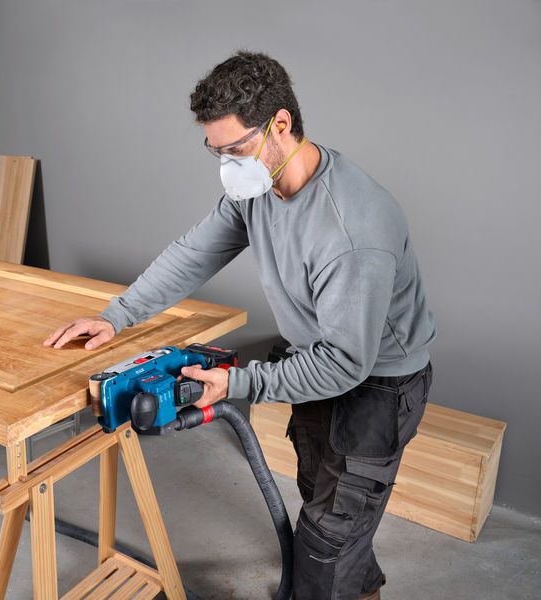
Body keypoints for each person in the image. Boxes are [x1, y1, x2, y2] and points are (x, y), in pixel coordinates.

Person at [44, 51, 436, 600]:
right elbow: (193, 254)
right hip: (315, 363)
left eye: (235, 148)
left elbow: (348, 362)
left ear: (281, 124)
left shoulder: (350, 231)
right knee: (326, 507)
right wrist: (117, 315)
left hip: (377, 387)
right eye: (215, 151)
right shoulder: (258, 188)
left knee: (327, 537)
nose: (227, 164)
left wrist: (242, 383)